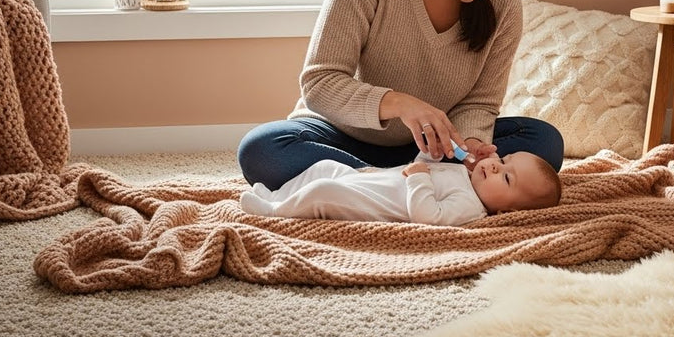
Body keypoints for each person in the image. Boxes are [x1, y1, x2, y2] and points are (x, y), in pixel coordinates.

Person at [237, 0, 565, 191]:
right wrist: (399, 104)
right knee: (263, 149)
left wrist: (473, 146)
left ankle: (379, 185)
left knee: (542, 142)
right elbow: (320, 83)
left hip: (434, 149)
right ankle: (416, 183)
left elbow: (480, 102)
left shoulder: (504, 6)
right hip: (340, 138)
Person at [239, 150, 562, 226]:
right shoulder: (467, 175)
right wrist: (428, 154)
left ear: (506, 211)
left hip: (370, 202)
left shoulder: (469, 205)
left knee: (323, 189)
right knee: (326, 167)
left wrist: (420, 176)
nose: (494, 164)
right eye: (503, 159)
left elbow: (428, 216)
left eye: (506, 178)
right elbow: (416, 168)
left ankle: (275, 212)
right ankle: (278, 195)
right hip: (370, 179)